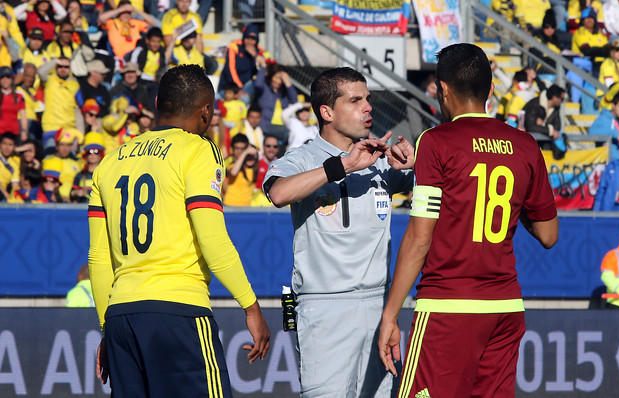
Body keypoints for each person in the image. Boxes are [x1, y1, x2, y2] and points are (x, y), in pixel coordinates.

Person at [377, 43, 559, 398]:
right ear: (491, 89)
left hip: (449, 307)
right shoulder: (524, 145)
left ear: (442, 90)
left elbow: (419, 237)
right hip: (506, 308)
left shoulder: (436, 141)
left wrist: (390, 314)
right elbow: (549, 235)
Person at [88, 64, 270, 396]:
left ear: (158, 102)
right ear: (207, 112)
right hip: (179, 312)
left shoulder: (109, 162)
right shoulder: (198, 150)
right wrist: (251, 306)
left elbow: (98, 259)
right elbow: (212, 238)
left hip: (121, 318)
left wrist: (106, 329)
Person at [263, 66, 414, 397]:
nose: (368, 107)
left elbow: (441, 185)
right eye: (355, 100)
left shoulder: (381, 157)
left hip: (379, 307)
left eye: (368, 99)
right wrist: (343, 166)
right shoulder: (303, 158)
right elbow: (278, 193)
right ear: (327, 112)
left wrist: (416, 164)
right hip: (325, 308)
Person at [253, 62, 298, 143]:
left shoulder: (284, 92)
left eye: (281, 79)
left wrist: (287, 82)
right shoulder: (264, 88)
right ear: (271, 77)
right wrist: (263, 67)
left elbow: (295, 101)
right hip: (266, 125)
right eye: (277, 77)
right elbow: (257, 84)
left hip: (283, 125)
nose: (279, 81)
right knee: (291, 135)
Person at [217, 23, 263, 100]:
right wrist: (239, 89)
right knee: (244, 98)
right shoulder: (234, 47)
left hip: (246, 86)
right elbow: (230, 70)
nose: (250, 41)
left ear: (257, 40)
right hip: (230, 86)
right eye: (247, 38)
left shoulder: (259, 51)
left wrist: (255, 56)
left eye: (253, 39)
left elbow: (262, 71)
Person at [589, 93, 619, 162]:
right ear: (613, 106)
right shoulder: (603, 118)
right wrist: (613, 135)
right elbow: (591, 133)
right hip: (607, 163)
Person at [223, 133, 258, 207]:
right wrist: (245, 152)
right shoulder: (230, 163)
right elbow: (233, 172)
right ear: (232, 149)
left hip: (247, 207)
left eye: (243, 149)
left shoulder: (252, 166)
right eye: (237, 148)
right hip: (230, 204)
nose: (240, 151)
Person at [0, 66, 28, 142]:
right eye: (2, 77)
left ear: (12, 79)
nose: (5, 80)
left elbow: (23, 114)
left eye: (8, 77)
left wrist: (24, 131)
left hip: (14, 132)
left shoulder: (19, 95)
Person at [0, 132, 19, 200]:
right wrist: (7, 196)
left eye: (10, 145)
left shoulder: (14, 163)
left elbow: (15, 186)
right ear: (0, 144)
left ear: (14, 147)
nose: (7, 147)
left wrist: (14, 200)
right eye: (4, 143)